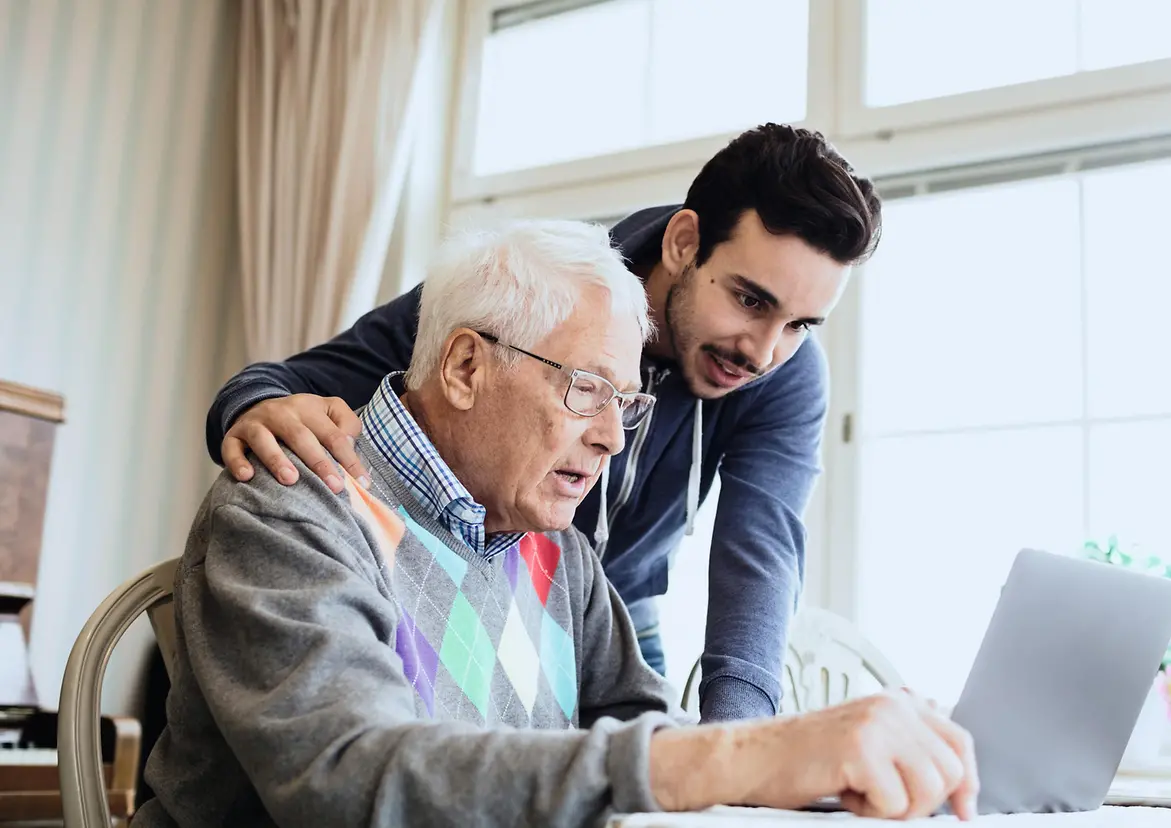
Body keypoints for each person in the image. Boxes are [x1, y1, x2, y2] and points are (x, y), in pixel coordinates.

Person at [139, 222, 977, 827]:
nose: (614, 438)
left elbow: (647, 735)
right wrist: (737, 757)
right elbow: (352, 785)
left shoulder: (559, 552)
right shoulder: (292, 506)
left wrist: (815, 771)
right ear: (466, 365)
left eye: (627, 402)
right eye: (587, 390)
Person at [204, 123, 882, 723]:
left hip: (606, 612)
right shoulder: (546, 295)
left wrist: (738, 747)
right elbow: (297, 382)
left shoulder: (783, 372)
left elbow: (761, 553)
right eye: (749, 299)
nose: (764, 351)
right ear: (684, 243)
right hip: (473, 581)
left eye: (800, 324)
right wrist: (255, 408)